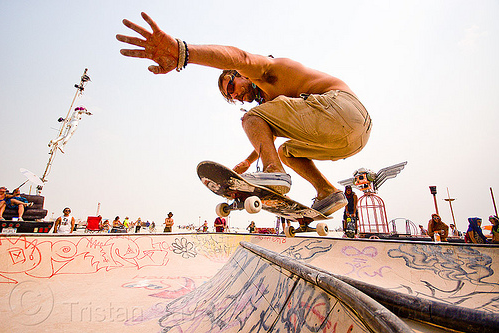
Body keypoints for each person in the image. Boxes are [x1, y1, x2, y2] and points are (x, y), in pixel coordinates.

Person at [116, 12, 372, 217]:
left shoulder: (265, 70)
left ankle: (275, 173)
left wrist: (183, 52)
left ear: (240, 75)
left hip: (339, 107)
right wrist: (249, 163)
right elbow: (269, 134)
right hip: (353, 137)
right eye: (231, 98)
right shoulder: (276, 102)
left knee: (251, 117)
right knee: (287, 152)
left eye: (232, 87)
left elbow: (239, 57)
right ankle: (327, 191)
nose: (236, 96)